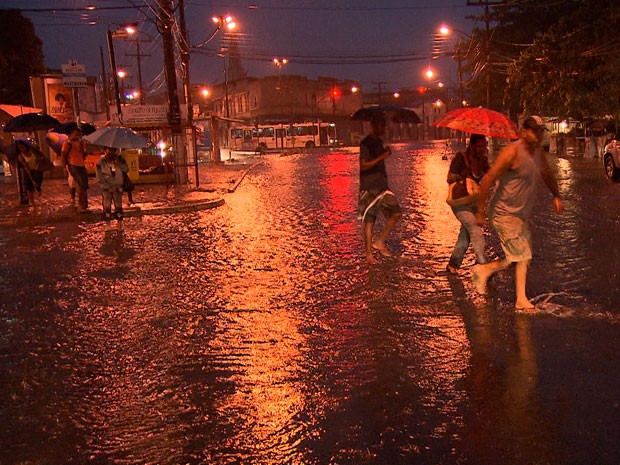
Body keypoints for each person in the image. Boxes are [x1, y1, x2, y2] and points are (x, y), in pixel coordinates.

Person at [473, 116, 564, 313]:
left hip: (519, 215)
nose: (537, 135)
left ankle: (484, 270)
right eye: (533, 131)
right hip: (503, 213)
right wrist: (480, 211)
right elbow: (488, 179)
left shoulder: (538, 154)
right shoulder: (511, 152)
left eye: (540, 132)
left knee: (520, 255)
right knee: (522, 254)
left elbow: (547, 174)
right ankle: (520, 300)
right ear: (523, 132)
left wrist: (556, 195)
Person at [358, 114, 402, 264]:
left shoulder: (379, 141)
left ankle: (380, 241)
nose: (384, 128)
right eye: (382, 125)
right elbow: (364, 165)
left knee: (396, 213)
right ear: (374, 125)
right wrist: (382, 156)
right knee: (369, 221)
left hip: (382, 186)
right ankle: (369, 255)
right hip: (369, 187)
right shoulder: (365, 143)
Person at [446, 134, 491, 273]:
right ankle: (484, 266)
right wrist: (462, 174)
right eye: (479, 146)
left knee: (466, 234)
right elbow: (449, 178)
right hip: (460, 202)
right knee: (475, 229)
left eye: (484, 146)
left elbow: (490, 176)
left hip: (474, 202)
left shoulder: (483, 161)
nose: (482, 149)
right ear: (471, 145)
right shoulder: (460, 157)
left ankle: (453, 264)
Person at [61, 128, 89, 212]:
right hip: (73, 165)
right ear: (71, 134)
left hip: (81, 165)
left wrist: (83, 149)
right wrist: (64, 167)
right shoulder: (67, 143)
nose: (77, 136)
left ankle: (84, 205)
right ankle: (81, 205)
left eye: (79, 134)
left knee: (84, 185)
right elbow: (63, 155)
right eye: (76, 134)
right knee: (80, 185)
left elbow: (83, 154)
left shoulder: (81, 142)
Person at [96, 147, 125, 221]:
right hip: (107, 186)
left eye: (112, 150)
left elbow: (126, 169)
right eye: (109, 150)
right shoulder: (101, 162)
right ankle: (107, 214)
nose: (110, 152)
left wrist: (120, 164)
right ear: (105, 151)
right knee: (107, 201)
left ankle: (119, 213)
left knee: (118, 201)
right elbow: (99, 175)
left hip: (117, 185)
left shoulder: (120, 160)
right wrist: (104, 185)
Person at [16, 140, 44, 207]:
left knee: (37, 184)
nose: (22, 149)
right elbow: (26, 167)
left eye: (22, 147)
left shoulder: (33, 151)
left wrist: (38, 165)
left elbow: (40, 158)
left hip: (38, 170)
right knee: (29, 186)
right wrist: (32, 179)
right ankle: (32, 203)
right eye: (20, 148)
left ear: (26, 146)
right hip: (29, 171)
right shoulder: (20, 156)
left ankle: (38, 192)